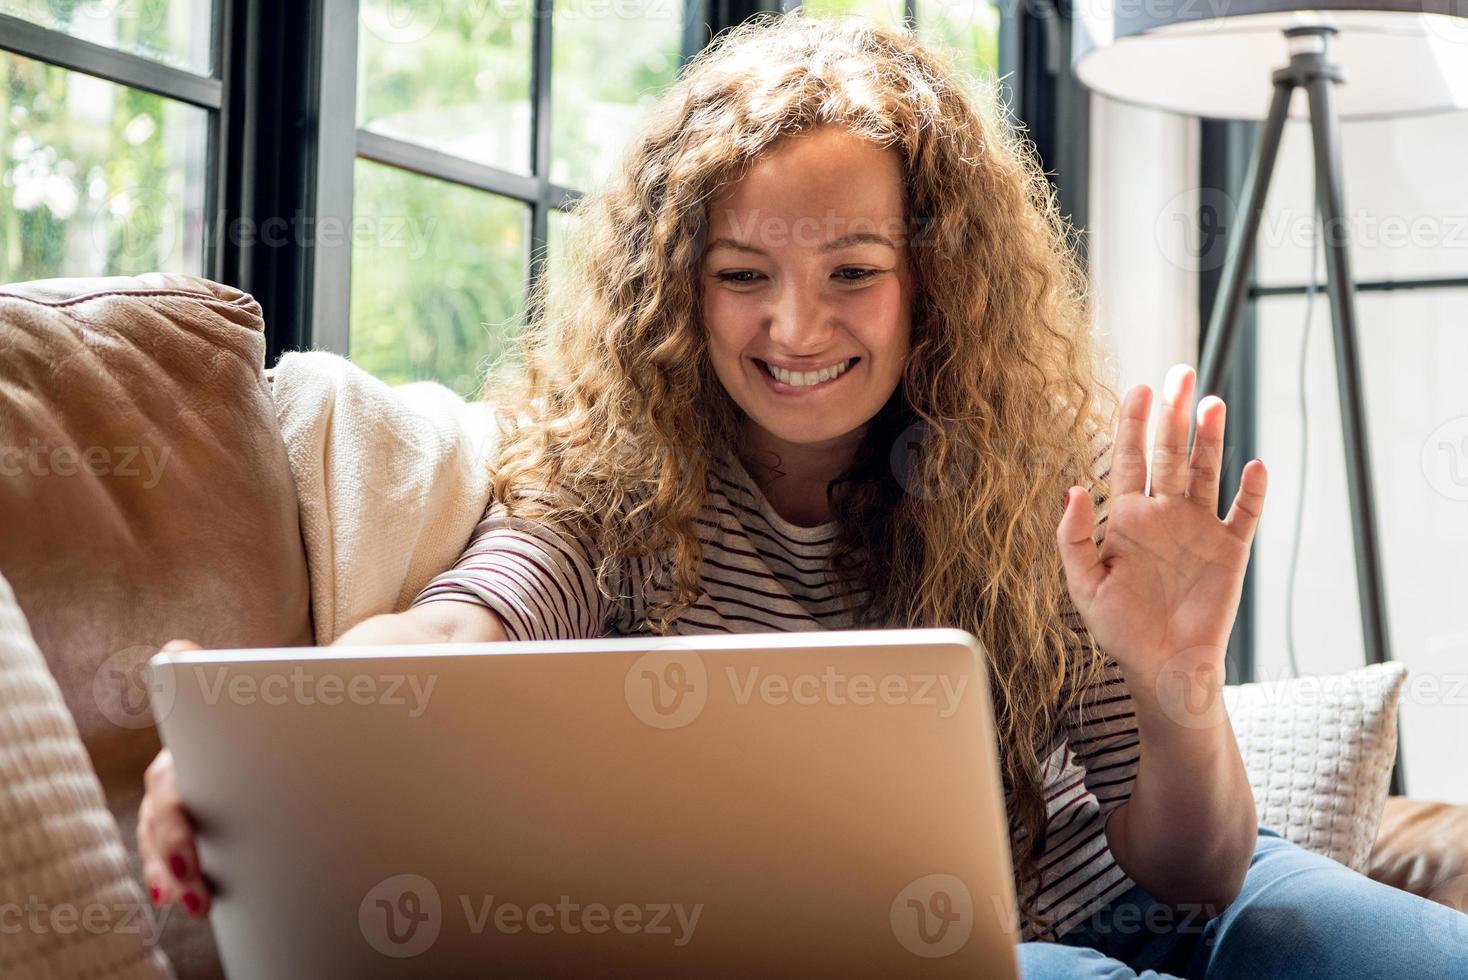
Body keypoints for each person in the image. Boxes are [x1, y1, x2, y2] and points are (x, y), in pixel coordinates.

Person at [137, 12, 1468, 976]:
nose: (793, 326)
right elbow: (454, 631)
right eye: (739, 275)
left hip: (1177, 917)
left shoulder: (1035, 490)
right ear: (675, 287)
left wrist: (1180, 682)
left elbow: (1202, 872)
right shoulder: (612, 489)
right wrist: (252, 732)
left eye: (852, 271)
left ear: (935, 281)